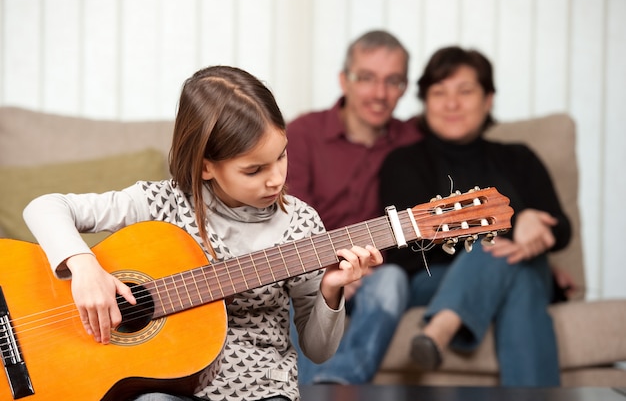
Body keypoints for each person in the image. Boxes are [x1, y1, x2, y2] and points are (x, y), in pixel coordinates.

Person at [23, 65, 383, 401]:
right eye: (254, 169)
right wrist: (84, 268)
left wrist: (331, 290)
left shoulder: (301, 224)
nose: (276, 178)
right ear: (206, 166)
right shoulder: (159, 203)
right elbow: (44, 207)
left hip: (262, 389)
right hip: (169, 388)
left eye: (282, 156)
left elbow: (318, 351)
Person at [379, 46, 571, 387]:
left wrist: (531, 222)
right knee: (514, 266)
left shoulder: (520, 157)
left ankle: (441, 326)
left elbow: (562, 228)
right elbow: (407, 247)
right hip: (432, 279)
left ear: (488, 99)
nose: (452, 104)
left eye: (465, 91)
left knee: (516, 264)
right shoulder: (403, 162)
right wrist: (514, 229)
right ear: (425, 102)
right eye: (439, 93)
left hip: (519, 268)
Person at [286, 30, 422, 384]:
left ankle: (336, 386)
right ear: (344, 80)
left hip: (377, 273)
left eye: (393, 81)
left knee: (393, 280)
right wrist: (332, 271)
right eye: (367, 79)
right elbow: (288, 221)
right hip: (313, 270)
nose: (380, 94)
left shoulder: (415, 142)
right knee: (290, 287)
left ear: (405, 88)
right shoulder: (302, 134)